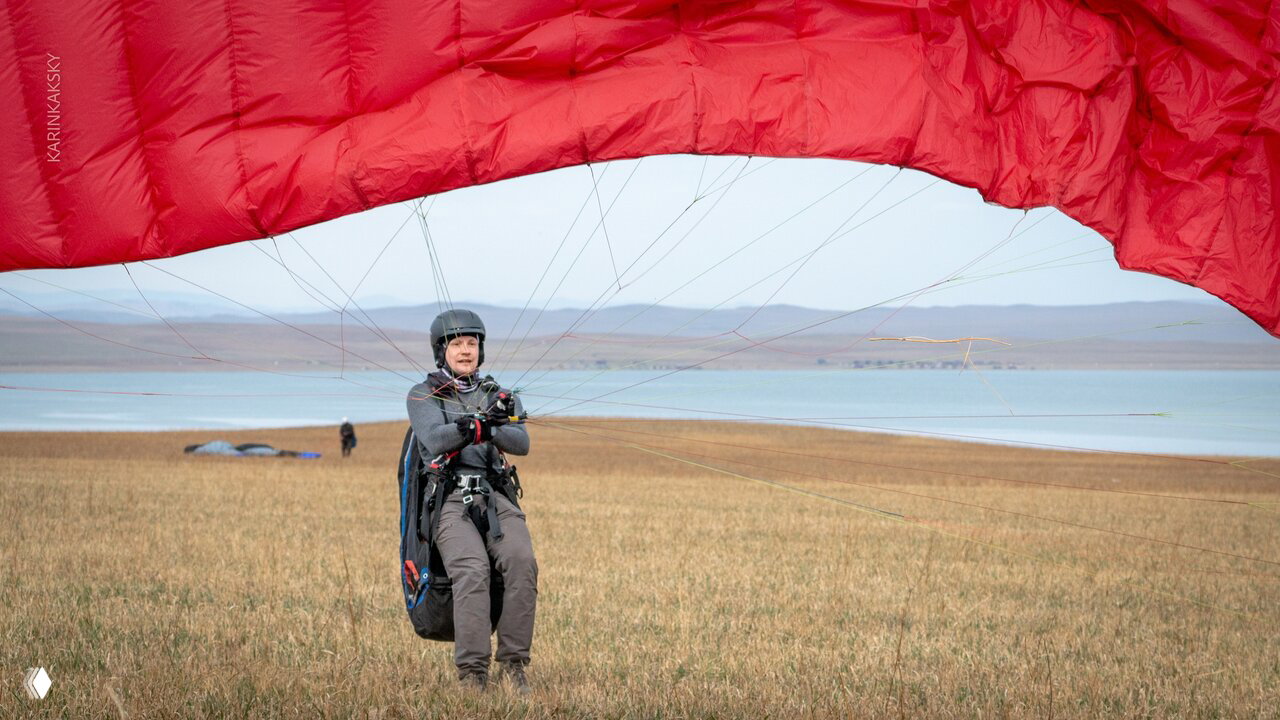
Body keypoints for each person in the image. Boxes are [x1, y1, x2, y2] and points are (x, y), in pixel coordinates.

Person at [406, 309, 536, 692]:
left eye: (472, 343)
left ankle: (514, 665)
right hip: (449, 499)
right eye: (457, 344)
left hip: (494, 496)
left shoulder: (498, 394)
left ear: (481, 349)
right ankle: (473, 673)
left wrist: (493, 424)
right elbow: (435, 439)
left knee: (522, 562)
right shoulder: (422, 394)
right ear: (441, 350)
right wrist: (474, 425)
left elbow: (522, 443)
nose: (466, 351)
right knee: (472, 570)